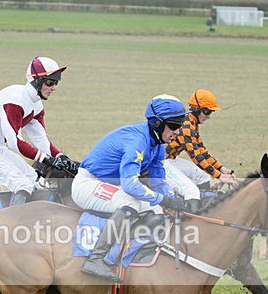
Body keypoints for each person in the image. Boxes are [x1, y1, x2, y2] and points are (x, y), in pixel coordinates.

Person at [72, 95, 194, 283]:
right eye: (174, 126)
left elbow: (158, 181)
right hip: (87, 184)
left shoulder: (158, 144)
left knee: (154, 209)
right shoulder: (137, 141)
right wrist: (164, 200)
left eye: (180, 126)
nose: (178, 132)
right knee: (130, 202)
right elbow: (129, 185)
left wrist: (173, 200)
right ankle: (95, 259)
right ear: (158, 124)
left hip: (110, 185)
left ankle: (128, 255)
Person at [0, 56, 77, 205]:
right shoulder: (14, 99)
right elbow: (14, 142)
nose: (54, 87)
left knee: (36, 182)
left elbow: (41, 139)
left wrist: (61, 157)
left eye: (56, 82)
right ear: (36, 80)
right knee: (23, 184)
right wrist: (45, 159)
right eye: (50, 82)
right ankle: (14, 224)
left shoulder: (36, 105)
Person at [162, 89, 237, 202]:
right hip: (159, 163)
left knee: (203, 175)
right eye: (207, 112)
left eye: (211, 112)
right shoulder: (186, 125)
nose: (209, 116)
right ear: (197, 109)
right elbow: (196, 156)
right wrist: (219, 176)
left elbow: (201, 150)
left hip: (169, 160)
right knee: (191, 191)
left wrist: (221, 168)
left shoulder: (191, 122)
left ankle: (204, 202)